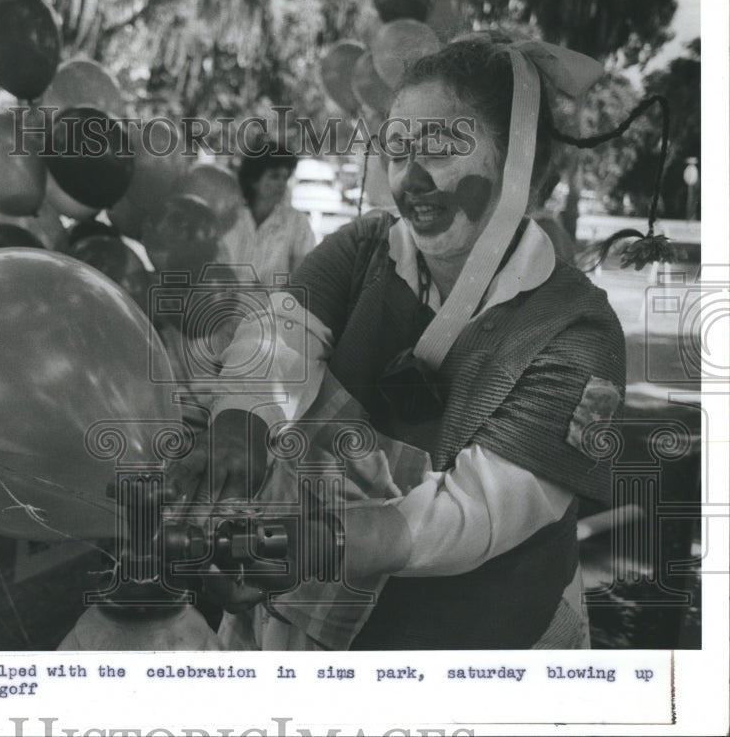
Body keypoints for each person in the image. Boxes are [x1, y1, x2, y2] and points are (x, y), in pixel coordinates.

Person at [173, 33, 627, 650]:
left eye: (438, 148)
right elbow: (277, 340)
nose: (408, 180)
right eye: (395, 148)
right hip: (307, 620)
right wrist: (238, 440)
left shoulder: (577, 331)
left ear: (520, 167)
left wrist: (315, 543)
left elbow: (478, 514)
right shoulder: (366, 249)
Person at [218, 144, 317, 283]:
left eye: (285, 177)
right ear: (254, 180)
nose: (281, 184)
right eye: (274, 176)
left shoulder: (297, 223)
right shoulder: (230, 216)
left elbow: (304, 276)